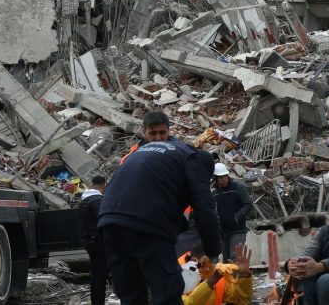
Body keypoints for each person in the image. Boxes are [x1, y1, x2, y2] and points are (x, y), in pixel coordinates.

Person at [99, 112, 221, 305]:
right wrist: (213, 252)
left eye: (162, 132)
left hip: (108, 223)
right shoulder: (193, 158)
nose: (158, 137)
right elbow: (205, 209)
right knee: (167, 292)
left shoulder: (138, 153)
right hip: (148, 225)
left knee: (131, 295)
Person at [183, 244, 253, 305]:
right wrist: (211, 281)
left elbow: (241, 301)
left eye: (211, 264)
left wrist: (244, 275)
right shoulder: (180, 277)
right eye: (203, 265)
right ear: (193, 261)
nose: (207, 269)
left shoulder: (218, 278)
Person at [212, 162, 252, 261]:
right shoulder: (214, 193)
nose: (223, 179)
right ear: (216, 178)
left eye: (225, 176)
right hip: (223, 233)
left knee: (235, 258)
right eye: (220, 177)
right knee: (226, 262)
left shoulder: (238, 187)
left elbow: (248, 204)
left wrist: (236, 218)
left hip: (237, 230)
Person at [79, 175, 108, 305]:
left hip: (89, 241)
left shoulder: (84, 201)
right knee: (101, 274)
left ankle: (96, 302)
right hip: (99, 242)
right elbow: (102, 220)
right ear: (103, 186)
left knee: (97, 273)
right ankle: (98, 301)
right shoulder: (97, 200)